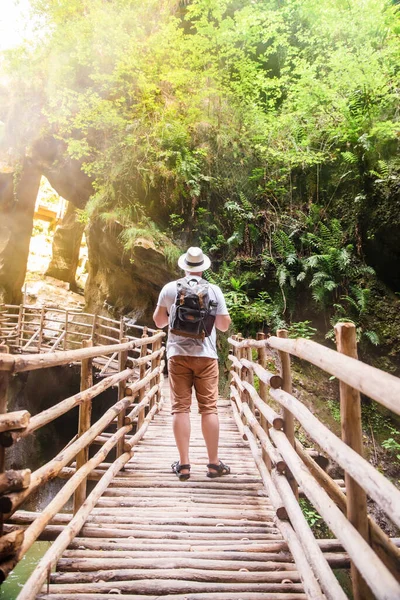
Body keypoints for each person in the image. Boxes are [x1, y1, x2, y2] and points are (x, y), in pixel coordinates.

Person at [153, 247, 231, 481]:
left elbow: (158, 322)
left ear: (184, 266)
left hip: (177, 355)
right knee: (209, 408)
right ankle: (213, 464)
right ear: (203, 268)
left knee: (180, 408)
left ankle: (184, 465)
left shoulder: (169, 289)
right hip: (206, 356)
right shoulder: (214, 291)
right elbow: (224, 326)